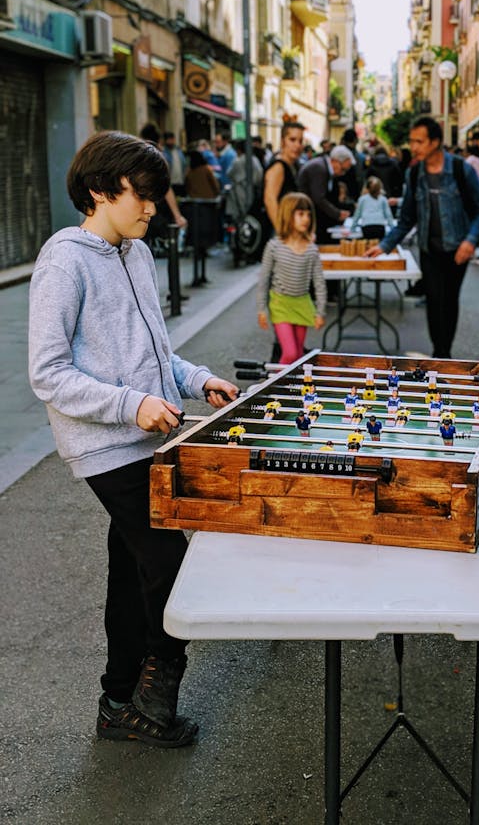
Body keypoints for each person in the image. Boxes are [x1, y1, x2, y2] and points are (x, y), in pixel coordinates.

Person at [28, 131, 239, 748]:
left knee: (132, 573)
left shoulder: (137, 253)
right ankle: (149, 699)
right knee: (172, 567)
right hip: (105, 446)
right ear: (99, 192)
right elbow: (47, 372)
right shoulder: (64, 260)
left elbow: (155, 352)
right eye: (140, 195)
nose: (152, 207)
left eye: (155, 196)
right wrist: (132, 404)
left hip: (148, 437)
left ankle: (119, 701)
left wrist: (199, 381)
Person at [366, 116, 479, 359]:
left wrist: (470, 241)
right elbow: (407, 219)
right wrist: (384, 245)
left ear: (435, 142)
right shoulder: (414, 174)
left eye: (419, 141)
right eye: (412, 141)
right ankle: (440, 353)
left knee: (449, 300)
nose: (413, 147)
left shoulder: (459, 169)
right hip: (429, 251)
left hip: (457, 249)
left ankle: (443, 351)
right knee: (434, 301)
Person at [256, 192, 326, 364]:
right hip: (280, 304)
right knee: (290, 353)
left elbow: (319, 282)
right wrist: (261, 309)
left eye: (309, 214)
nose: (306, 219)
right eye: (301, 214)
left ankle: (292, 388)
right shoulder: (274, 247)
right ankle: (275, 387)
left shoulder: (311, 250)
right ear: (288, 215)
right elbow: (264, 279)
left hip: (302, 304)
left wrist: (320, 311)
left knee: (299, 355)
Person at [297, 144, 354, 244]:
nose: (342, 173)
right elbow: (319, 198)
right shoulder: (320, 168)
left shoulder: (322, 167)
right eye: (343, 169)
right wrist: (337, 213)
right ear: (335, 161)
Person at [263, 121, 303, 234]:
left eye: (300, 141)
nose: (297, 145)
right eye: (292, 140)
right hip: (275, 231)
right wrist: (282, 232)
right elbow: (269, 200)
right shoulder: (279, 167)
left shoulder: (292, 166)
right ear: (282, 141)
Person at [163, 131, 186, 196]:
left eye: (172, 139)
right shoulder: (164, 152)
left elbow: (184, 164)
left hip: (180, 181)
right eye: (169, 139)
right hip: (170, 183)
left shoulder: (178, 150)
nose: (171, 141)